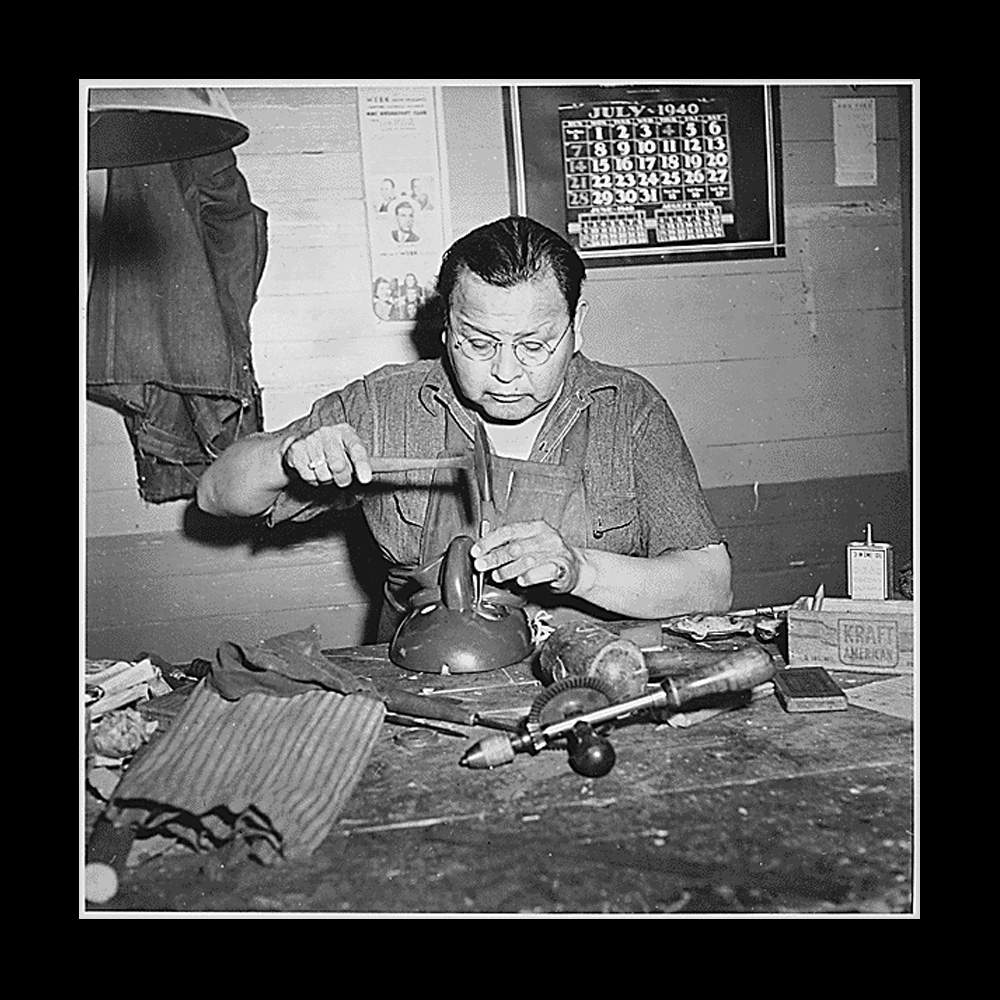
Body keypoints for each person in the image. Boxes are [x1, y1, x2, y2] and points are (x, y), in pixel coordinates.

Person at [197, 216, 732, 640]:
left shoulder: (626, 409)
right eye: (478, 343)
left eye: (534, 345)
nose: (505, 371)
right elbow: (215, 494)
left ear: (578, 324)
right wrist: (290, 453)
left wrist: (581, 570)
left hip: (597, 674)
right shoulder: (389, 405)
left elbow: (712, 583)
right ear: (446, 326)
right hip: (430, 678)